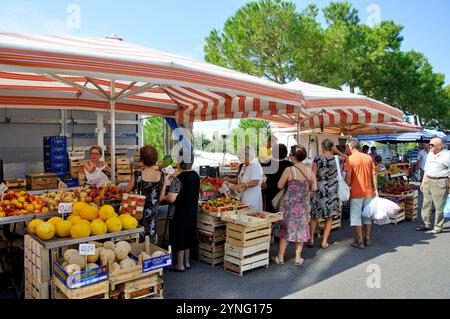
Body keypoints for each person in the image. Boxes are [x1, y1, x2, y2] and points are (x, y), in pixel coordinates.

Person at [272, 145, 317, 266]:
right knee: (300, 230)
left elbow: (280, 185)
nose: (289, 157)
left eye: (291, 155)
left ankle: (280, 257)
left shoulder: (289, 170)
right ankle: (297, 258)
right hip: (303, 205)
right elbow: (314, 188)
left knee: (285, 230)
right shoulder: (310, 171)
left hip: (289, 206)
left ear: (294, 156)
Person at [161, 149, 200, 272]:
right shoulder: (195, 175)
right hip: (192, 211)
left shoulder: (179, 179)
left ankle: (179, 265)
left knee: (179, 236)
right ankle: (186, 262)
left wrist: (166, 183)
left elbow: (171, 198)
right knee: (188, 234)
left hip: (179, 212)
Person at [309, 139, 344, 249]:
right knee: (329, 217)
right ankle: (324, 241)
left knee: (315, 215)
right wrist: (337, 151)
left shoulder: (318, 158)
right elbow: (346, 158)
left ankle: (311, 239)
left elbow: (313, 176)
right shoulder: (337, 159)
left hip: (320, 189)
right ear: (331, 147)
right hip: (332, 190)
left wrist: (310, 189)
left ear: (322, 146)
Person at [125, 145, 164, 244]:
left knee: (139, 241)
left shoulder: (137, 174)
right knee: (151, 240)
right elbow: (161, 197)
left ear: (142, 159)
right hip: (153, 214)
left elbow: (126, 190)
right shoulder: (162, 175)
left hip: (138, 213)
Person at [345, 138, 378, 249]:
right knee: (367, 216)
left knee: (356, 217)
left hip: (356, 192)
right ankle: (367, 239)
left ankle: (359, 241)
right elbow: (374, 174)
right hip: (368, 192)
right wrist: (376, 190)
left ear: (350, 147)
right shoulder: (368, 157)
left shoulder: (350, 159)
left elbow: (348, 177)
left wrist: (346, 187)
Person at [416, 138, 450, 234]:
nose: (429, 146)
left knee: (439, 206)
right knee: (426, 204)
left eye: (432, 145)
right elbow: (426, 169)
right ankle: (426, 224)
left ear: (439, 146)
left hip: (440, 181)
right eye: (429, 144)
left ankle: (438, 227)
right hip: (428, 180)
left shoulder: (447, 155)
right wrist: (423, 182)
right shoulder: (430, 154)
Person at [225, 146, 263, 210]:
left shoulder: (255, 165)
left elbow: (255, 182)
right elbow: (239, 179)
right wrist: (229, 180)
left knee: (251, 214)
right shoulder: (245, 165)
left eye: (242, 157)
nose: (240, 159)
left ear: (248, 155)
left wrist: (240, 186)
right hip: (243, 196)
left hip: (252, 197)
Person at [262, 144, 293, 213]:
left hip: (270, 191)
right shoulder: (290, 165)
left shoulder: (268, 163)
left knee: (270, 214)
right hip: (285, 192)